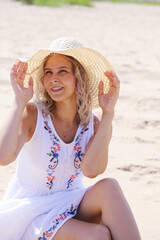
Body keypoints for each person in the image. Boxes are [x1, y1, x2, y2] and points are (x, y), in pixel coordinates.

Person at [0, 37, 141, 240]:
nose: (53, 79)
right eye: (48, 72)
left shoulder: (95, 122)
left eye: (62, 71)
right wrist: (19, 100)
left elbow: (92, 170)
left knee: (109, 186)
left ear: (79, 77)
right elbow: (3, 157)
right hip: (32, 211)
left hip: (70, 202)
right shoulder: (32, 113)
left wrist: (108, 114)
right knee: (98, 235)